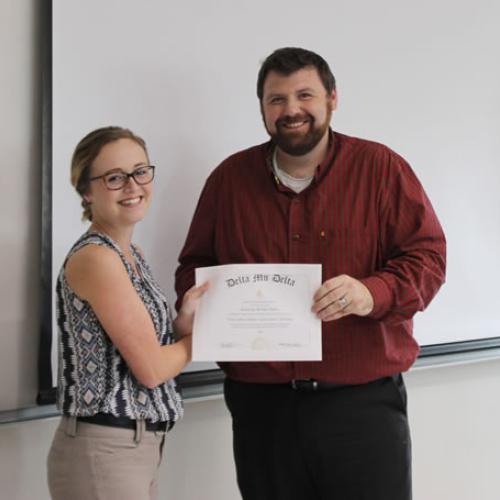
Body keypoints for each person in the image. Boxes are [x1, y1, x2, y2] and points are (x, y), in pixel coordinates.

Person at [175, 47, 446, 500]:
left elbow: (428, 259)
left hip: (362, 406)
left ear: (332, 99)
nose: (291, 110)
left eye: (305, 95)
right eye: (276, 99)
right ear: (262, 108)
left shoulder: (381, 169)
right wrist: (203, 304)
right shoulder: (228, 181)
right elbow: (193, 268)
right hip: (263, 410)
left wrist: (370, 292)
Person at [47, 126, 206, 500]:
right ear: (86, 190)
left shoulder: (130, 255)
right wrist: (209, 335)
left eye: (140, 171)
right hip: (105, 448)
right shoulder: (98, 259)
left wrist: (182, 326)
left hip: (134, 445)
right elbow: (150, 369)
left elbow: (141, 346)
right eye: (114, 178)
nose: (133, 186)